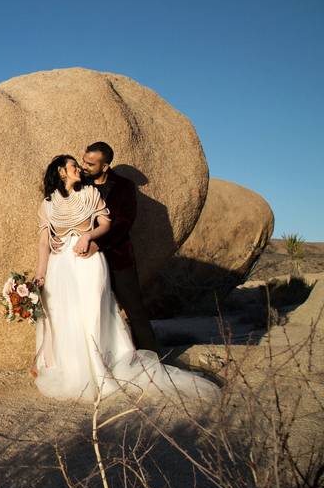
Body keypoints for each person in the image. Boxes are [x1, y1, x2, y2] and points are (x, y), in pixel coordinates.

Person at [31, 154, 218, 402]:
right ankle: (73, 370)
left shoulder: (89, 194)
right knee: (66, 316)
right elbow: (44, 242)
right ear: (61, 172)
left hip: (89, 262)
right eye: (73, 166)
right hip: (60, 265)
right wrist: (40, 274)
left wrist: (88, 237)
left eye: (78, 165)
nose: (78, 169)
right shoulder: (48, 204)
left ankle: (99, 369)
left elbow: (106, 224)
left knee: (93, 312)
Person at [79, 141, 161, 354]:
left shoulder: (124, 186)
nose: (84, 166)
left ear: (105, 166)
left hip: (117, 257)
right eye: (84, 161)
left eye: (90, 163)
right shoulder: (79, 184)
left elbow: (124, 222)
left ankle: (151, 359)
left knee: (134, 309)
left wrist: (99, 243)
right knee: (92, 311)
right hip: (86, 259)